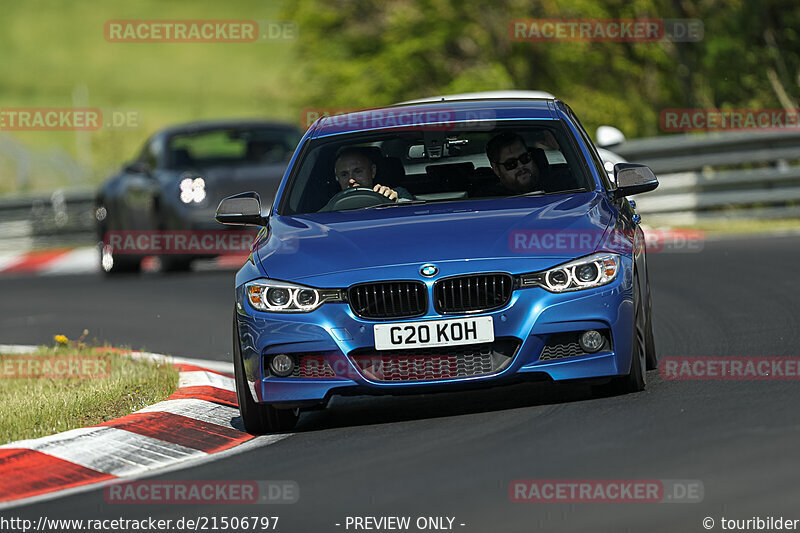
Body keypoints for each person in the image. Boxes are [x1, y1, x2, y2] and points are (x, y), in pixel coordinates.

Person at [333, 147, 413, 201]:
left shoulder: (398, 194)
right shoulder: (331, 206)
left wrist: (396, 203)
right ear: (338, 178)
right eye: (344, 174)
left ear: (372, 171)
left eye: (358, 172)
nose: (351, 180)